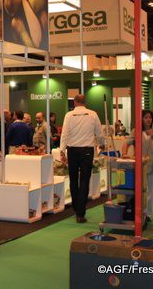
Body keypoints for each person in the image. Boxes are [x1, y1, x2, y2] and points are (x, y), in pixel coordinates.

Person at [59, 94, 103, 223]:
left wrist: (62, 150)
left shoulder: (69, 115)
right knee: (84, 180)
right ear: (85, 102)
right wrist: (102, 144)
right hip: (87, 151)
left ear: (74, 102)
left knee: (73, 179)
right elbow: (99, 132)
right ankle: (80, 212)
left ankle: (76, 207)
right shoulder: (93, 114)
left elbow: (64, 134)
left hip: (72, 150)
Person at [124, 110, 153, 222]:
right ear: (141, 119)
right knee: (139, 191)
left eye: (150, 117)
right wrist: (124, 153)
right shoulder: (135, 131)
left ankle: (148, 214)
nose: (148, 119)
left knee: (151, 192)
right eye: (146, 117)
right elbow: (126, 144)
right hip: (139, 167)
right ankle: (138, 212)